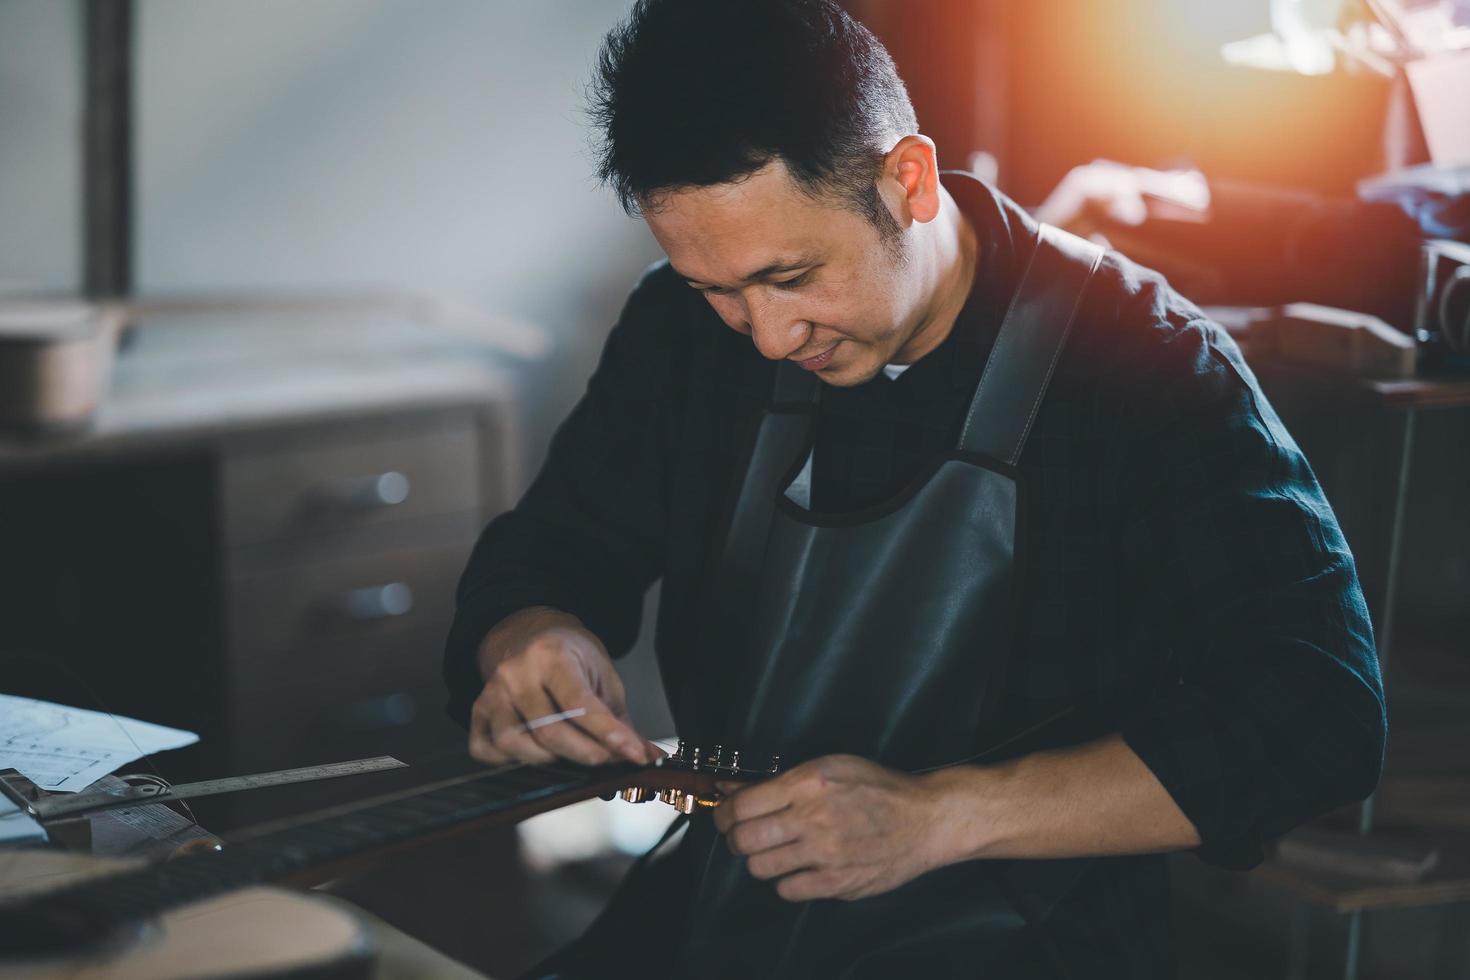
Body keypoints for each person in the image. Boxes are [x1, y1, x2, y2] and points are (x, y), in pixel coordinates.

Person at [442, 1, 1386, 976]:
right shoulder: (681, 335)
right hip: (734, 903)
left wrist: (941, 817)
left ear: (909, 180)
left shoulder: (1141, 368)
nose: (765, 334)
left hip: (1029, 936)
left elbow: (1317, 713)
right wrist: (533, 635)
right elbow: (554, 545)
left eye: (793, 276)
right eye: (716, 289)